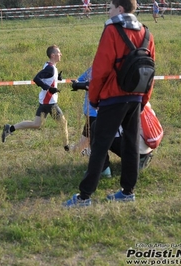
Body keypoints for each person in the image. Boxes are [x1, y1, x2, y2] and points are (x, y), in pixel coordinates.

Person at [64, 0, 155, 207]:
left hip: (113, 97)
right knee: (130, 144)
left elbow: (100, 69)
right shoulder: (147, 33)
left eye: (110, 7)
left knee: (99, 144)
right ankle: (127, 192)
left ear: (120, 9)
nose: (109, 11)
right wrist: (143, 99)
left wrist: (95, 98)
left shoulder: (112, 30)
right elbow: (150, 71)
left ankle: (84, 196)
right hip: (136, 97)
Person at [2, 45, 70, 151]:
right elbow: (36, 78)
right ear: (53, 55)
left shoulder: (50, 66)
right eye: (59, 52)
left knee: (36, 124)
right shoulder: (50, 68)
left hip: (44, 101)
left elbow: (46, 77)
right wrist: (49, 88)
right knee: (63, 122)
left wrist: (57, 78)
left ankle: (9, 128)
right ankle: (67, 148)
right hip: (50, 102)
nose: (60, 54)